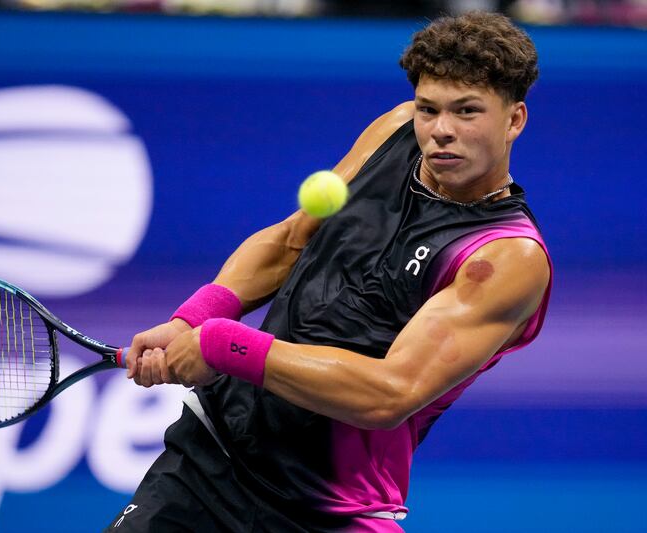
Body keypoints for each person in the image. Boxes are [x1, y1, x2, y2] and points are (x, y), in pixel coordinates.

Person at [106, 11, 552, 533]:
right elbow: (291, 240)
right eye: (429, 109)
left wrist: (222, 345)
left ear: (514, 119)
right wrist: (195, 318)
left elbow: (390, 392)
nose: (441, 131)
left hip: (328, 511)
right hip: (211, 457)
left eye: (467, 111)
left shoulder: (505, 257)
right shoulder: (395, 131)